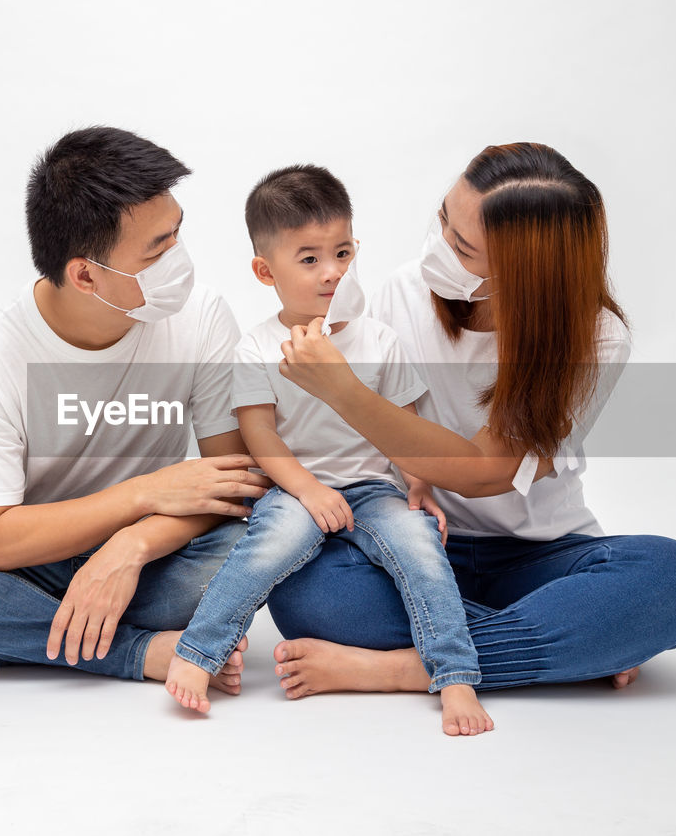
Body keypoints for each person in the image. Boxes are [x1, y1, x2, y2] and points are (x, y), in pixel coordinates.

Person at [264, 143, 676, 697]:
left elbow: (483, 472)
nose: (438, 249)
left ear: (525, 272)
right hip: (416, 544)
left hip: (540, 555)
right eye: (443, 222)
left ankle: (412, 667)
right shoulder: (401, 292)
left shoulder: (595, 337)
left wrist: (343, 391)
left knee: (673, 578)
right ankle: (551, 646)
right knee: (303, 583)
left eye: (461, 246)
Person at [0, 126, 272, 690]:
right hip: (34, 554)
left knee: (263, 538)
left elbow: (231, 486)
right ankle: (135, 651)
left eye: (177, 233)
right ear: (86, 274)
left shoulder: (203, 317)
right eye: (157, 247)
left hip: (157, 555)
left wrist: (131, 545)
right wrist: (143, 492)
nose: (180, 258)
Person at [164, 165, 493, 736]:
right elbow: (260, 436)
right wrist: (308, 490)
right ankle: (198, 653)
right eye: (310, 259)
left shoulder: (378, 337)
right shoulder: (258, 346)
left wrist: (420, 483)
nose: (333, 272)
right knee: (267, 548)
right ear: (266, 271)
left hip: (373, 488)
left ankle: (455, 675)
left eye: (342, 252)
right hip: (297, 488)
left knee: (420, 550)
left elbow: (405, 423)